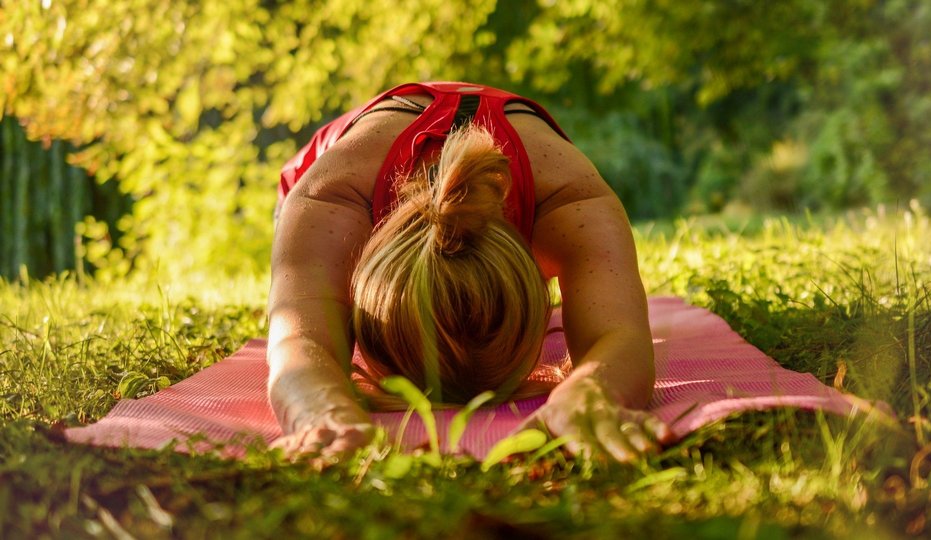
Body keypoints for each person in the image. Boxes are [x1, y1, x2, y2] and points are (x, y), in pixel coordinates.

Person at [268, 82, 671, 462]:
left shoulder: (570, 198)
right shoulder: (331, 196)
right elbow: (297, 340)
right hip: (340, 166)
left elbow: (620, 336)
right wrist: (320, 409)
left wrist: (592, 392)